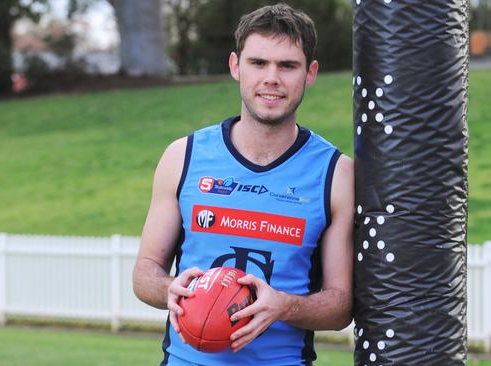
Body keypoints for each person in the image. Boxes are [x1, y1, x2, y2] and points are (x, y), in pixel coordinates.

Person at [133, 3, 354, 365]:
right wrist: (169, 288)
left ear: (310, 73)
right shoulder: (183, 156)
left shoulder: (336, 174)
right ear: (235, 66)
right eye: (258, 63)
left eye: (287, 65)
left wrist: (282, 306)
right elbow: (144, 273)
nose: (272, 78)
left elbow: (340, 306)